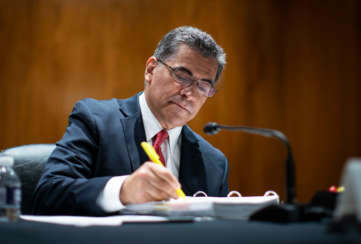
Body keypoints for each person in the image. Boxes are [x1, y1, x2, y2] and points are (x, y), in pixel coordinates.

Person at [33, 26, 229, 216]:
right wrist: (123, 191)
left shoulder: (214, 163)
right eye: (182, 76)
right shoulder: (96, 121)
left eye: (203, 86)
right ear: (151, 70)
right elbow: (48, 196)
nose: (189, 93)